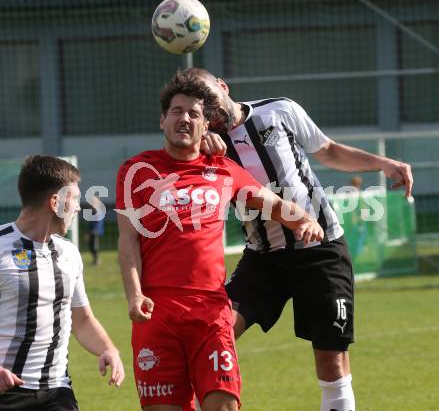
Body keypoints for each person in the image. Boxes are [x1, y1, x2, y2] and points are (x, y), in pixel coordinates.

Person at [182, 67, 414, 411]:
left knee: (332, 362)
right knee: (214, 340)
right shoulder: (201, 146)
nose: (211, 114)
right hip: (262, 258)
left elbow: (328, 150)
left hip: (321, 250)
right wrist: (197, 152)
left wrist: (381, 163)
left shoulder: (279, 111)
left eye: (211, 101)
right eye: (201, 111)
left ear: (223, 86)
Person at [115, 71, 324, 411]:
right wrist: (135, 294)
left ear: (205, 125)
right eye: (177, 111)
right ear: (162, 119)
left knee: (224, 405)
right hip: (157, 312)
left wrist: (304, 220)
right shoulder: (136, 170)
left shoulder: (222, 169)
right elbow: (127, 241)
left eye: (194, 113)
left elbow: (272, 204)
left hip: (210, 310)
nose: (184, 118)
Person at [0, 155, 125, 411]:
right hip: (6, 391)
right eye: (75, 199)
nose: (78, 208)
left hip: (57, 391)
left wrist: (108, 349)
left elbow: (82, 318)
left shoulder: (69, 253)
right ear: (55, 202)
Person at [87, 194, 105, 265]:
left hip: (95, 232)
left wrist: (93, 231)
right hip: (92, 232)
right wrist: (88, 232)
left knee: (95, 246)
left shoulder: (98, 212)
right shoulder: (92, 212)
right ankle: (94, 259)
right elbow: (90, 223)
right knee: (91, 246)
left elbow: (98, 223)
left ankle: (97, 260)